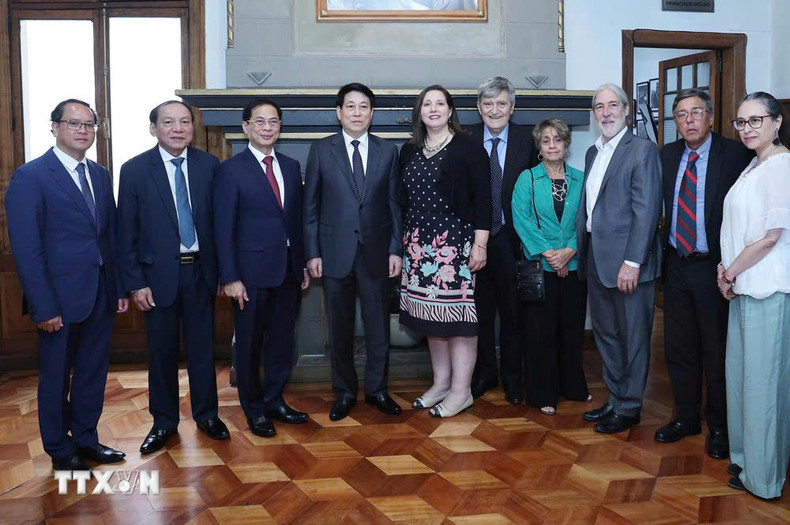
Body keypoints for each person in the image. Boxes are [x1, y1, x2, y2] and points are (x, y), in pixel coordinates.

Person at [5, 99, 128, 470]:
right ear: (55, 127)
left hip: (100, 295)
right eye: (73, 123)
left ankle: (87, 439)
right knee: (56, 379)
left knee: (93, 373)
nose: (83, 130)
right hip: (58, 301)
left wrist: (118, 288)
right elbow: (27, 250)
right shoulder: (31, 177)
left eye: (90, 125)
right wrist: (44, 306)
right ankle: (60, 450)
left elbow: (110, 239)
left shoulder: (101, 174)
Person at [117, 100, 227, 454]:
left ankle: (207, 415)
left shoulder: (210, 166)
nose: (178, 128)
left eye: (184, 122)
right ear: (154, 128)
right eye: (169, 122)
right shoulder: (134, 170)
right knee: (161, 352)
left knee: (202, 349)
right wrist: (135, 282)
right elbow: (126, 232)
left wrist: (225, 273)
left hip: (201, 272)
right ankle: (163, 422)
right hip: (156, 278)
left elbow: (220, 227)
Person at [655, 89, 752, 459]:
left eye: (696, 112)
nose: (689, 120)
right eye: (681, 114)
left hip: (715, 268)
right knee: (678, 347)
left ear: (710, 117)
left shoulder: (735, 155)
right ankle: (685, 418)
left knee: (716, 350)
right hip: (676, 263)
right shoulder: (667, 155)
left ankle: (720, 428)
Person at [304, 83, 403, 421]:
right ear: (339, 112)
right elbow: (311, 208)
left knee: (379, 329)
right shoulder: (321, 151)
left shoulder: (388, 151)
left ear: (372, 113)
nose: (357, 113)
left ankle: (377, 390)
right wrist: (312, 252)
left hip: (376, 252)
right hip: (333, 254)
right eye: (351, 107)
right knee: (340, 329)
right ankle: (344, 392)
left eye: (364, 107)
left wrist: (395, 249)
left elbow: (394, 207)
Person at [214, 99, 310, 437]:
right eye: (260, 122)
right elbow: (222, 228)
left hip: (287, 271)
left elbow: (295, 222)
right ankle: (253, 410)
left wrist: (302, 264)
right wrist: (230, 277)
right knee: (251, 344)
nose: (268, 127)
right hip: (249, 275)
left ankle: (274, 400)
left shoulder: (289, 165)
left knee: (282, 341)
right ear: (246, 127)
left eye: (274, 122)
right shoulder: (230, 169)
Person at [399, 85, 491, 418]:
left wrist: (480, 244)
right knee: (431, 319)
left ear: (451, 111)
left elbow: (484, 201)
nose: (434, 108)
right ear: (419, 111)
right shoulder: (408, 151)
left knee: (458, 321)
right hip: (418, 247)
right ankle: (440, 384)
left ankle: (460, 391)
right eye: (427, 103)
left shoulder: (468, 148)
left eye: (440, 103)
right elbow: (402, 200)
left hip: (456, 247)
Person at [577, 83, 662, 434]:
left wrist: (633, 262)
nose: (606, 112)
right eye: (599, 107)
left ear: (626, 110)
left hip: (629, 264)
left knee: (634, 337)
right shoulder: (592, 153)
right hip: (597, 259)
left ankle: (630, 407)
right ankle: (615, 397)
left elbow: (647, 211)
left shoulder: (641, 150)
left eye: (613, 105)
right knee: (607, 335)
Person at [718, 91, 789, 499]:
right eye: (741, 122)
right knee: (742, 380)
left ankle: (765, 480)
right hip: (742, 288)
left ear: (777, 122)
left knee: (764, 386)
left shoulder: (781, 166)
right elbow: (736, 229)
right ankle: (746, 459)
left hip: (767, 289)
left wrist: (729, 271)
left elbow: (770, 237)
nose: (747, 129)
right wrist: (725, 274)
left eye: (755, 121)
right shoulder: (752, 166)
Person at [512, 118, 590, 416]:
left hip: (574, 264)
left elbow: (586, 220)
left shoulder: (583, 179)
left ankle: (573, 387)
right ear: (539, 147)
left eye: (558, 139)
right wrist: (551, 255)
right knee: (541, 333)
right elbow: (522, 221)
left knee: (571, 330)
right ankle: (543, 392)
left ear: (567, 144)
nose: (553, 144)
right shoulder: (527, 179)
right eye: (546, 140)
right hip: (540, 268)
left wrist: (569, 251)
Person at [469, 76, 537, 403]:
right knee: (480, 315)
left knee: (513, 315)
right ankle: (484, 374)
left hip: (514, 241)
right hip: (477, 242)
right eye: (488, 103)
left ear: (512, 107)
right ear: (478, 107)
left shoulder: (529, 140)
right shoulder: (464, 139)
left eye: (501, 103)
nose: (494, 110)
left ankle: (512, 379)